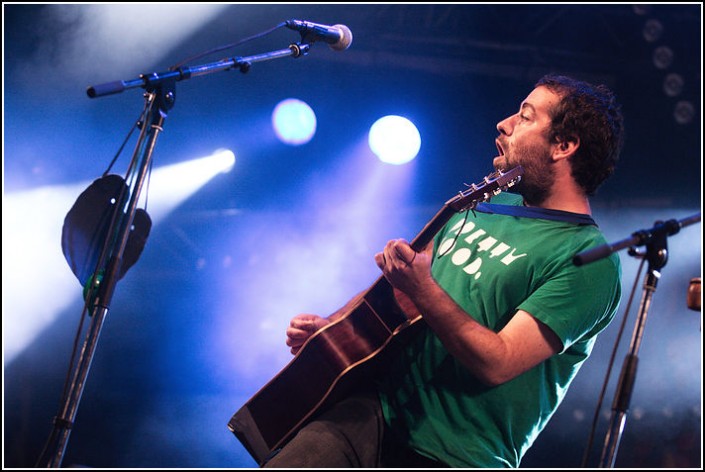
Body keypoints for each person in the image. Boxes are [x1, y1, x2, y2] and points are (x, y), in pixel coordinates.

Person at [263, 74, 625, 468]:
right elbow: (404, 287)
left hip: (455, 455)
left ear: (564, 146)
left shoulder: (590, 259)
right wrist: (335, 331)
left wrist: (423, 289)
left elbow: (498, 362)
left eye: (525, 117)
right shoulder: (489, 201)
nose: (504, 124)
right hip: (369, 412)